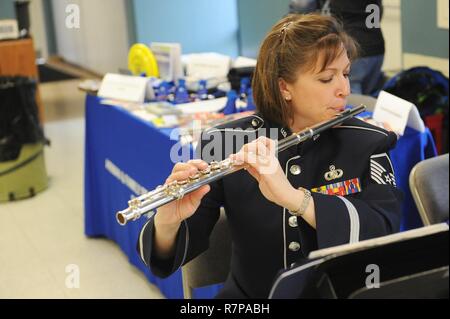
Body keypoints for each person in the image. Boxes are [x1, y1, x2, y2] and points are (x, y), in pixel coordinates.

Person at [137, 13, 403, 299]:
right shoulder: (227, 142)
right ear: (284, 87)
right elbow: (168, 255)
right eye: (327, 78)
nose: (345, 90)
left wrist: (296, 199)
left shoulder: (367, 141)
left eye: (346, 73)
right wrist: (167, 221)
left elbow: (382, 233)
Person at [290, 0, 386, 95]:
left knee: (351, 100)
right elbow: (379, 11)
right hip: (376, 45)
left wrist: (290, 29)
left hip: (350, 47)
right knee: (372, 98)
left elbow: (302, 6)